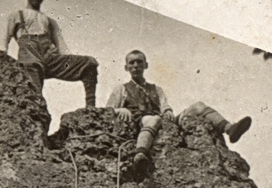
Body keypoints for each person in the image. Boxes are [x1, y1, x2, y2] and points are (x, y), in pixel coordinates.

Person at [107, 49, 252, 174]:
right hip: (141, 121)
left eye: (139, 62)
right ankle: (140, 154)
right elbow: (107, 110)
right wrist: (120, 109)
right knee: (153, 119)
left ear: (146, 65)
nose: (136, 66)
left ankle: (229, 128)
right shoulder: (122, 88)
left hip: (162, 122)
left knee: (198, 106)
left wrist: (168, 110)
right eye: (131, 63)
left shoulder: (156, 89)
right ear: (126, 67)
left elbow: (164, 105)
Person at [5, 0, 98, 109]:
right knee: (35, 99)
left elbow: (62, 47)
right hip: (30, 56)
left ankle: (91, 107)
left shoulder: (50, 21)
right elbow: (6, 38)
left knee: (90, 63)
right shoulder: (17, 15)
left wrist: (69, 62)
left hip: (50, 58)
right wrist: (3, 58)